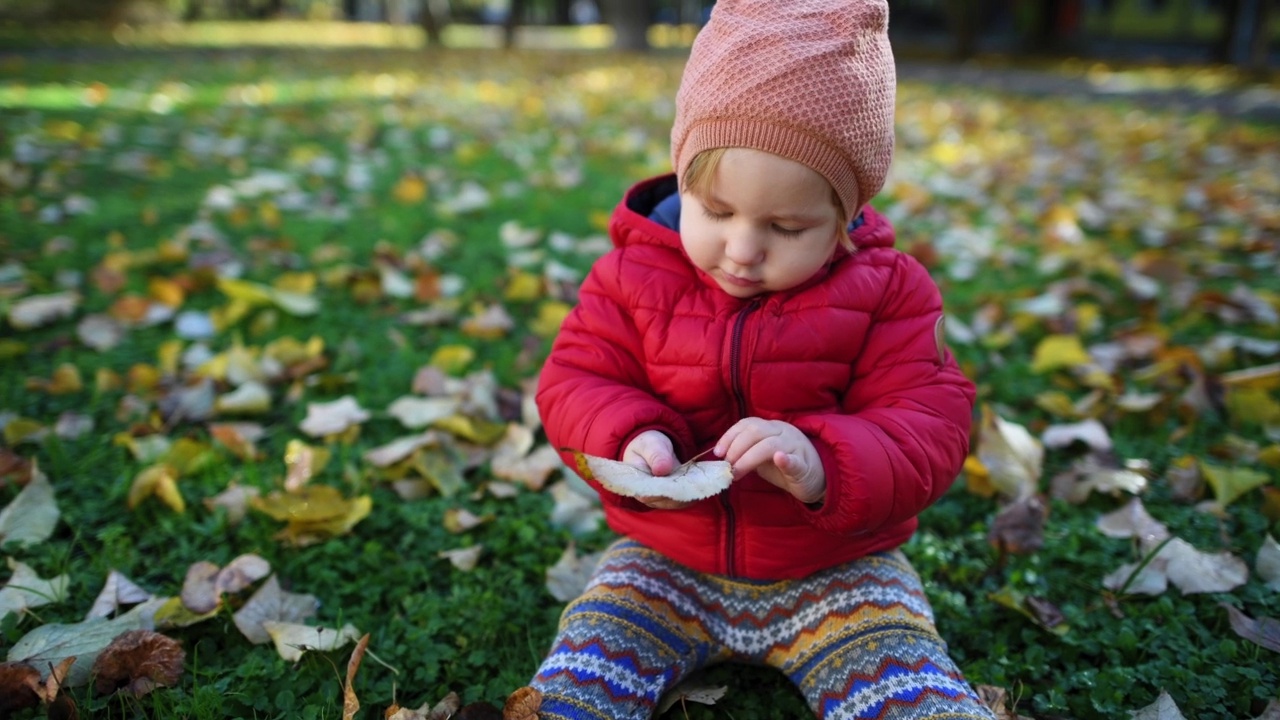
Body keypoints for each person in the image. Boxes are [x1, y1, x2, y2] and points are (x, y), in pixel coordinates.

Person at [530, 1, 994, 718]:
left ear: (845, 216)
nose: (742, 249)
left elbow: (928, 424)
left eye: (786, 226)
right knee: (577, 687)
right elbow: (574, 382)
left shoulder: (889, 294)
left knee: (912, 697)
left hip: (841, 572)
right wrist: (629, 438)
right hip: (663, 560)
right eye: (714, 211)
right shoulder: (630, 277)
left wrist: (821, 465)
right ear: (681, 179)